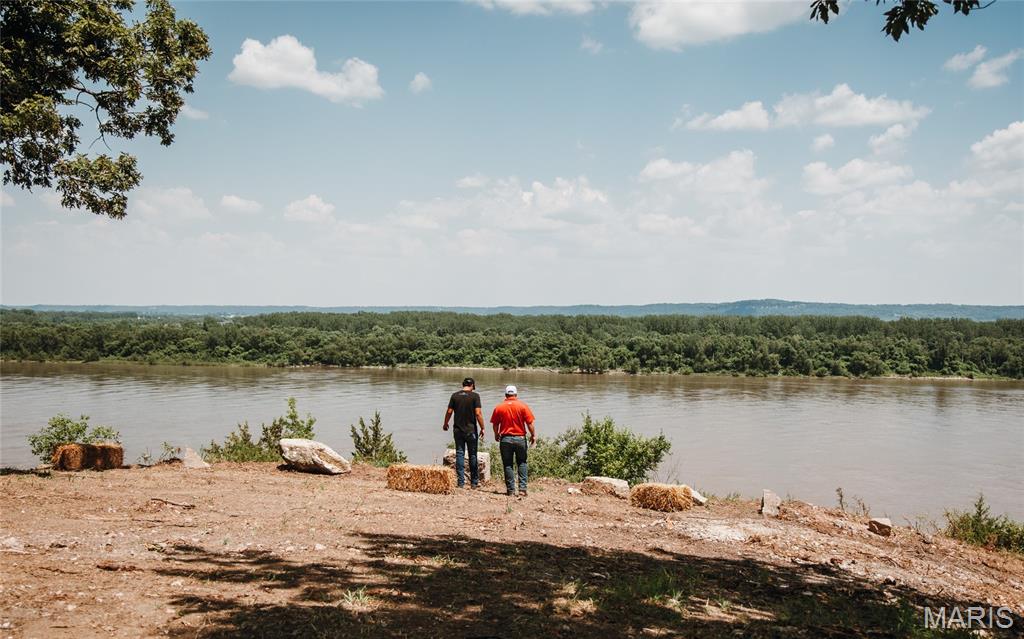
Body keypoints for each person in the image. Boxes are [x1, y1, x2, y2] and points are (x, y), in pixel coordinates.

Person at [490, 384, 535, 497]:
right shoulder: (523, 406)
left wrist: (496, 434)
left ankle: (510, 490)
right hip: (520, 438)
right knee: (522, 462)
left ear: (506, 395)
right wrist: (533, 435)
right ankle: (522, 489)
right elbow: (530, 423)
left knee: (508, 464)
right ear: (516, 394)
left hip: (505, 439)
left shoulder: (499, 407)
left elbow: (495, 424)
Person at [443, 377, 485, 488]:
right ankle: (474, 483)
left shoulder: (455, 395)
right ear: (473, 386)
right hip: (471, 430)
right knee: (472, 455)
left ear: (463, 384)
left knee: (460, 454)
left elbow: (449, 411)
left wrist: (445, 423)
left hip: (458, 430)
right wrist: (483, 427)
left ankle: (461, 482)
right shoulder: (475, 396)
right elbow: (478, 413)